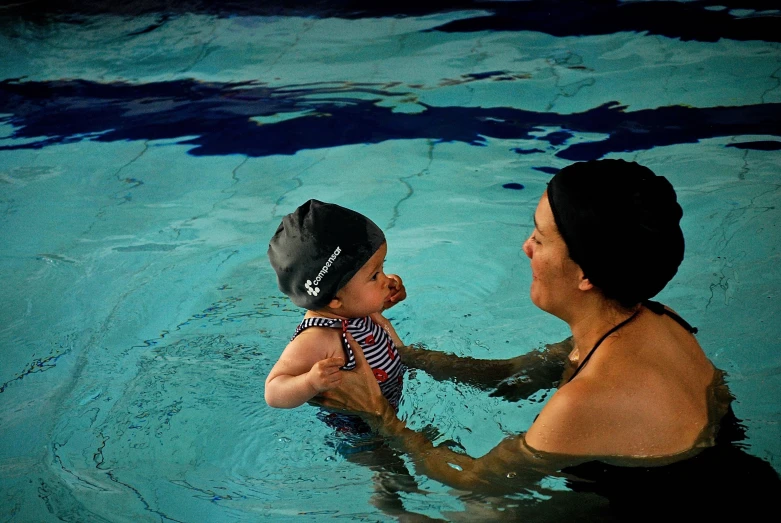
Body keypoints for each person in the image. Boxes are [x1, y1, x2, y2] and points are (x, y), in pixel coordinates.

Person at [314, 160, 781, 520]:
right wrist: (403, 356)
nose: (526, 248)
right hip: (742, 484)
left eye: (540, 237)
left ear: (584, 275)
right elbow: (512, 379)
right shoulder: (655, 320)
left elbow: (476, 480)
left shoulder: (588, 400)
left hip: (678, 513)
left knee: (479, 515)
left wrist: (378, 415)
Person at [265, 199, 408, 415]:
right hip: (360, 430)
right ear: (334, 299)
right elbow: (273, 391)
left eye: (383, 267)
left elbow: (361, 315)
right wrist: (310, 383)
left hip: (392, 400)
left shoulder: (349, 309)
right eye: (374, 275)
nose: (385, 279)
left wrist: (386, 297)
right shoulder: (319, 337)